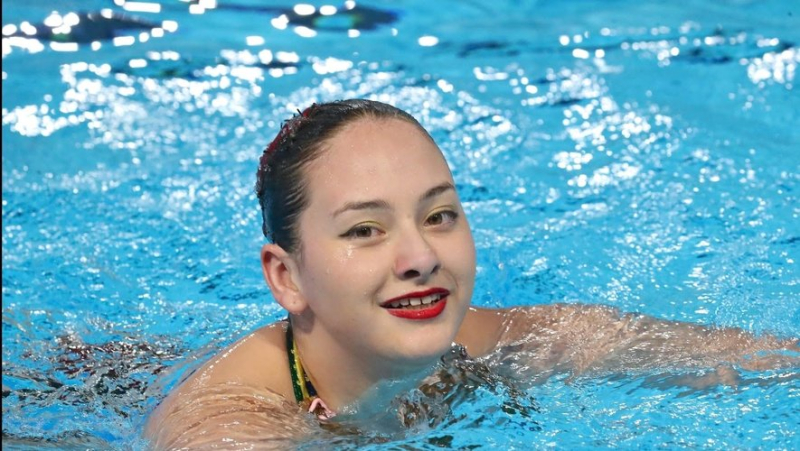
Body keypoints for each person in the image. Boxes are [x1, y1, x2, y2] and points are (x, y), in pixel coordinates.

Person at [145, 99, 798, 449]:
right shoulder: (230, 425)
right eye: (364, 229)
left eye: (439, 215)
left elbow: (729, 355)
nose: (420, 256)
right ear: (286, 277)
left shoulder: (485, 344)